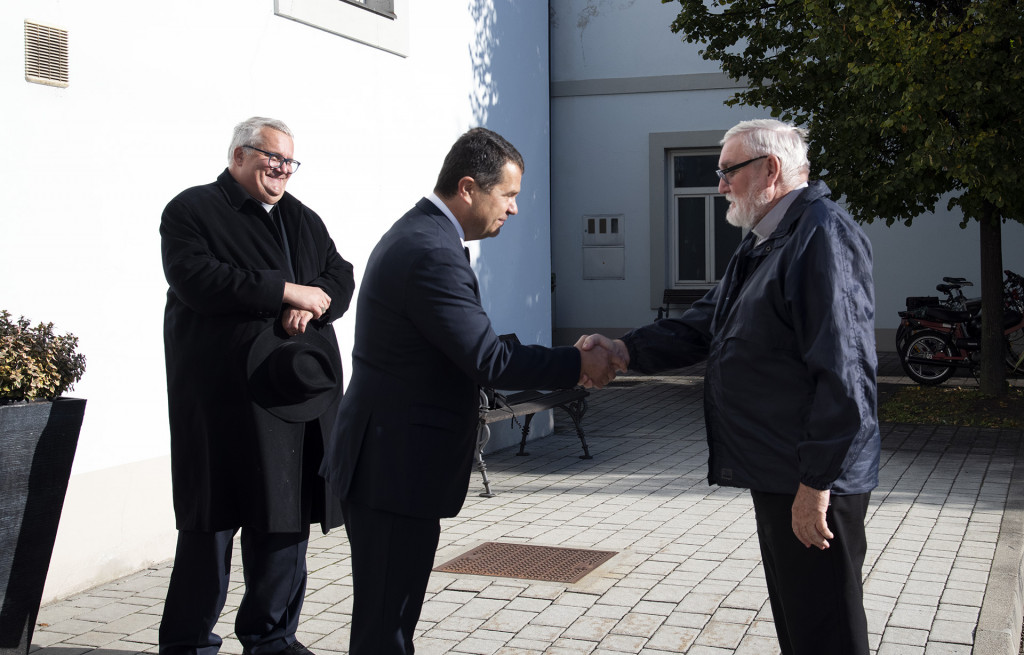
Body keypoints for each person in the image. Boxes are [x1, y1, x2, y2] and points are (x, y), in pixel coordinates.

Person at [582, 119, 880, 655]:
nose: (719, 185)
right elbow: (705, 322)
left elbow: (846, 370)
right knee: (803, 626)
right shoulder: (768, 241)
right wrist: (624, 351)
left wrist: (815, 484)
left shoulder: (820, 234)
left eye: (727, 172)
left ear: (771, 170)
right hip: (782, 471)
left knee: (826, 630)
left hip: (813, 480)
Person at [320, 127, 619, 655]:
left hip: (393, 464)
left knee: (390, 618)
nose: (514, 210)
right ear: (468, 188)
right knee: (384, 627)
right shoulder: (428, 250)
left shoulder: (424, 237)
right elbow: (490, 360)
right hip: (392, 469)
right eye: (508, 196)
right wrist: (579, 362)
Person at [159, 117, 355, 655]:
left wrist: (314, 301)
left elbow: (341, 276)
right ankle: (188, 642)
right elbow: (198, 279)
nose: (282, 169)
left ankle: (271, 640)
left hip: (294, 399)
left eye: (290, 161)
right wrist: (285, 292)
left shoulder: (302, 219)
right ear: (239, 156)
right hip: (222, 399)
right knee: (212, 526)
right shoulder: (192, 210)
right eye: (272, 157)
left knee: (285, 523)